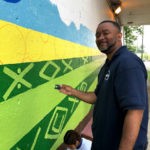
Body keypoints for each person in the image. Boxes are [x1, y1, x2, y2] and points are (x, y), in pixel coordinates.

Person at [59, 20, 148, 150]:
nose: (100, 38)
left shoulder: (128, 63)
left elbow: (134, 112)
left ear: (119, 35)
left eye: (106, 33)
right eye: (97, 35)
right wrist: (72, 91)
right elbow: (96, 96)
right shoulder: (107, 66)